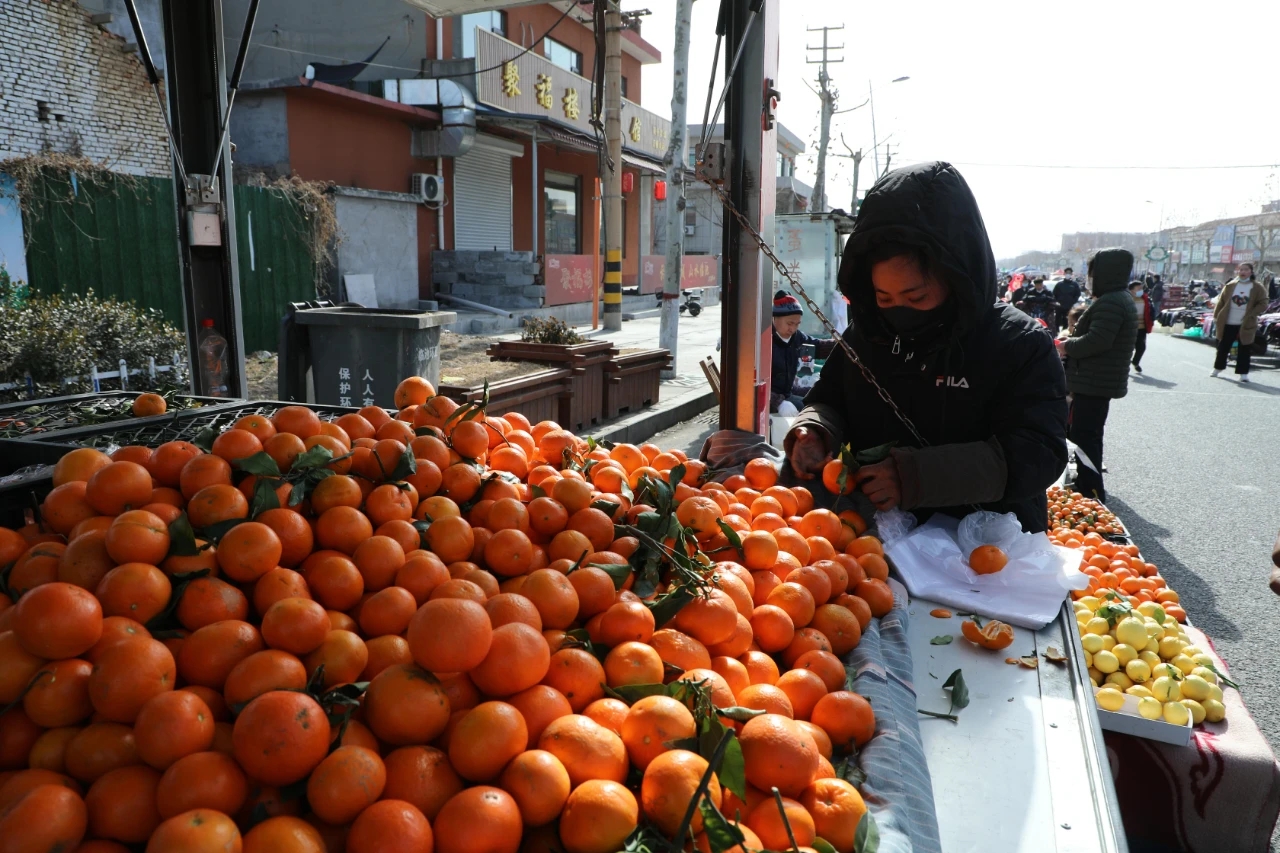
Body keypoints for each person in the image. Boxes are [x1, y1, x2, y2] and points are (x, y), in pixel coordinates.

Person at [785, 161, 1068, 533]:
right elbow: (830, 398)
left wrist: (914, 477)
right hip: (874, 540)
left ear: (956, 279)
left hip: (985, 549)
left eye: (915, 297)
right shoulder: (867, 333)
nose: (898, 310)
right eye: (884, 297)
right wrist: (815, 430)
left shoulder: (1017, 344)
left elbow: (1038, 452)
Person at [1054, 249, 1139, 503]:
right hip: (1095, 381)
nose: (1089, 278)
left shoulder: (1112, 301)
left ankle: (1090, 493)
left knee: (1085, 440)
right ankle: (1087, 489)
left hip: (1093, 383)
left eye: (1092, 272)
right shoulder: (1118, 298)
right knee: (1086, 437)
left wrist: (1065, 346)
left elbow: (1098, 341)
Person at [769, 291, 834, 413]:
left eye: (797, 324)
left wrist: (843, 344)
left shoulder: (797, 337)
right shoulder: (765, 340)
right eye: (789, 323)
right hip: (769, 400)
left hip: (788, 394)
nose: (792, 329)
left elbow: (817, 347)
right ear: (775, 318)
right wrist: (778, 403)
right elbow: (753, 386)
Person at [1211, 262, 1269, 382]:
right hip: (1228, 321)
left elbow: (1263, 303)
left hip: (1246, 323)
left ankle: (1243, 373)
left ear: (1251, 272)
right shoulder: (1231, 285)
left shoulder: (1257, 287)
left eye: (1245, 270)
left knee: (1245, 348)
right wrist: (1216, 316)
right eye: (1240, 270)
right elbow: (1221, 302)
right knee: (1223, 346)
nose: (1242, 272)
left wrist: (1252, 314)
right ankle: (1218, 368)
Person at [1130, 279, 1154, 373]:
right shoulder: (1127, 300)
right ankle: (1125, 363)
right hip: (1129, 328)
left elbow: (1150, 312)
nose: (1141, 290)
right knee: (1128, 347)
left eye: (1141, 288)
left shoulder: (1145, 299)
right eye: (1138, 288)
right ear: (1132, 290)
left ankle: (1135, 362)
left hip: (1142, 328)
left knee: (1141, 347)